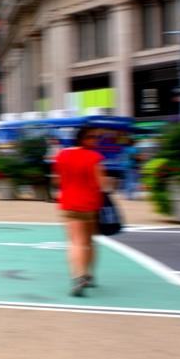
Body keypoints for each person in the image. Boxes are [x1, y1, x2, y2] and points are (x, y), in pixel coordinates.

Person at [53, 126, 111, 297]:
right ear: (82, 139)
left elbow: (58, 181)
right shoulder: (95, 158)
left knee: (75, 242)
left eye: (96, 137)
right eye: (91, 137)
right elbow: (102, 185)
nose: (95, 140)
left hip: (69, 203)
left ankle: (77, 277)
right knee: (88, 242)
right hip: (90, 205)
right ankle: (88, 275)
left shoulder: (62, 155)